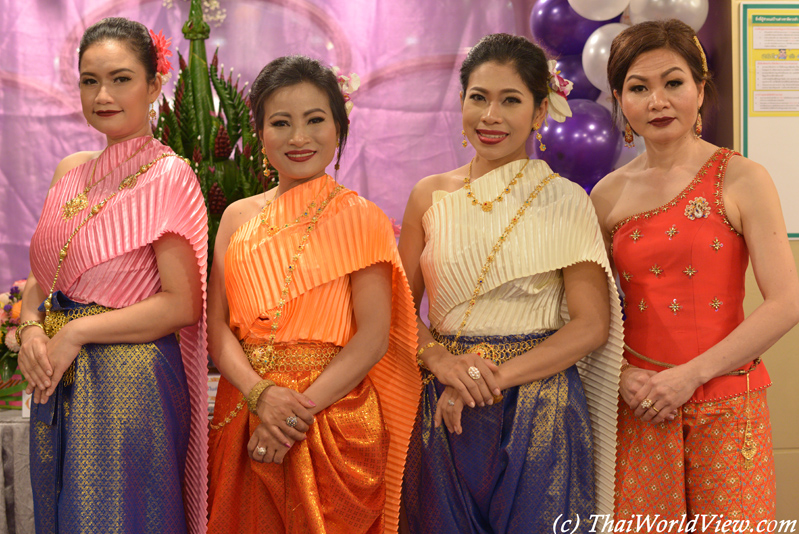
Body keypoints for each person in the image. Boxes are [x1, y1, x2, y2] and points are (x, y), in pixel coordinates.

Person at [399, 33, 624, 533]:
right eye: (478, 98)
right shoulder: (428, 197)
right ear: (460, 103)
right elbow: (398, 309)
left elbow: (590, 326)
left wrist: (493, 379)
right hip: (445, 398)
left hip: (540, 402)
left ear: (540, 111)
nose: (490, 116)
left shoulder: (566, 199)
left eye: (510, 100)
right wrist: (439, 359)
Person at [591, 19, 799, 525]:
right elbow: (592, 312)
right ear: (620, 99)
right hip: (641, 406)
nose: (658, 100)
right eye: (639, 88)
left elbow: (787, 302)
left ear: (700, 90)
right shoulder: (607, 194)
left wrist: (690, 377)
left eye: (673, 82)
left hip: (729, 402)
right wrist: (621, 378)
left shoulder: (743, 177)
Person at [206, 55, 420, 534]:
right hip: (245, 406)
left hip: (332, 413)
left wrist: (290, 416)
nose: (299, 137)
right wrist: (261, 394)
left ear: (339, 129)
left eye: (315, 120)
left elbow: (373, 338)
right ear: (260, 134)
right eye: (281, 123)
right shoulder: (237, 219)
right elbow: (215, 327)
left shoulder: (361, 216)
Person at [15, 17, 208, 534]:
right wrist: (31, 326)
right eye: (89, 80)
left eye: (121, 79)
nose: (103, 94)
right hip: (57, 375)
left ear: (154, 85)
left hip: (130, 383)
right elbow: (45, 278)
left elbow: (181, 305)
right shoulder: (71, 171)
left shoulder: (170, 175)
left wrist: (75, 331)